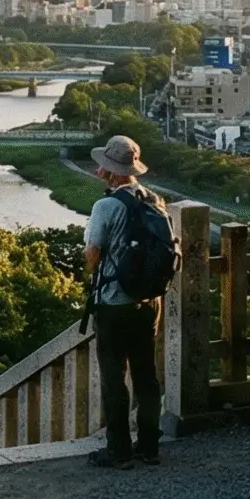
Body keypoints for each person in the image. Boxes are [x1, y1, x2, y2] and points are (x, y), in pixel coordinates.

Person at [83, 135, 168, 469]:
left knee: (114, 377)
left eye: (103, 164)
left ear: (110, 170)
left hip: (114, 302)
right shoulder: (155, 200)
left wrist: (94, 264)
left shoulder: (106, 206)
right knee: (147, 375)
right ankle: (149, 445)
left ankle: (118, 449)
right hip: (149, 301)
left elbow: (93, 253)